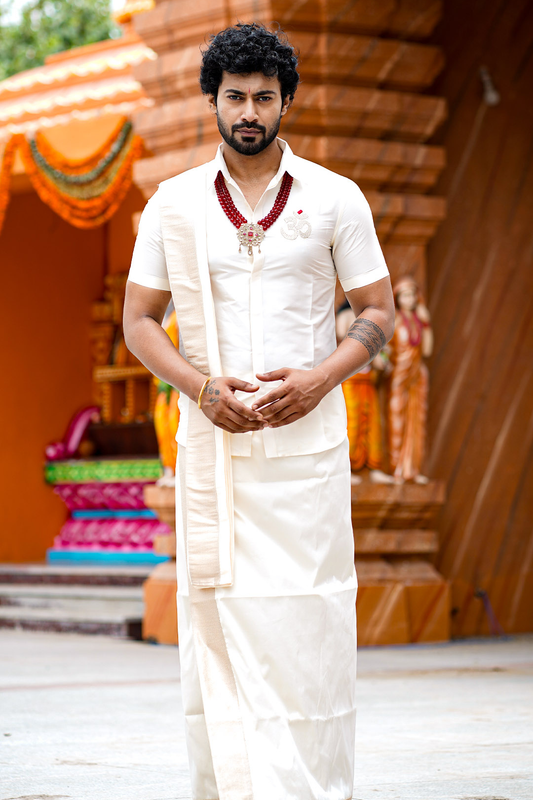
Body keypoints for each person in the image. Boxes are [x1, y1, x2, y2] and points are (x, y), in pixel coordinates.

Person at [123, 22, 395, 800]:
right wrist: (201, 389)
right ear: (213, 98)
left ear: (286, 104)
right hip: (215, 456)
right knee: (220, 640)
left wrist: (318, 380)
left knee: (308, 638)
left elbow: (375, 312)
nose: (249, 111)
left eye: (264, 98)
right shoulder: (173, 205)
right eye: (235, 96)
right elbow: (139, 321)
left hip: (304, 461)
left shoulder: (335, 198)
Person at [387, 277, 433, 484]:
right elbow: (386, 348)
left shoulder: (418, 319)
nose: (410, 299)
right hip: (399, 375)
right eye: (405, 295)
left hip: (417, 375)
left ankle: (412, 469)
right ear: (397, 298)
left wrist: (426, 323)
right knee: (397, 419)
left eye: (412, 294)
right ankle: (396, 467)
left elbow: (428, 350)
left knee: (416, 420)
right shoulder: (394, 320)